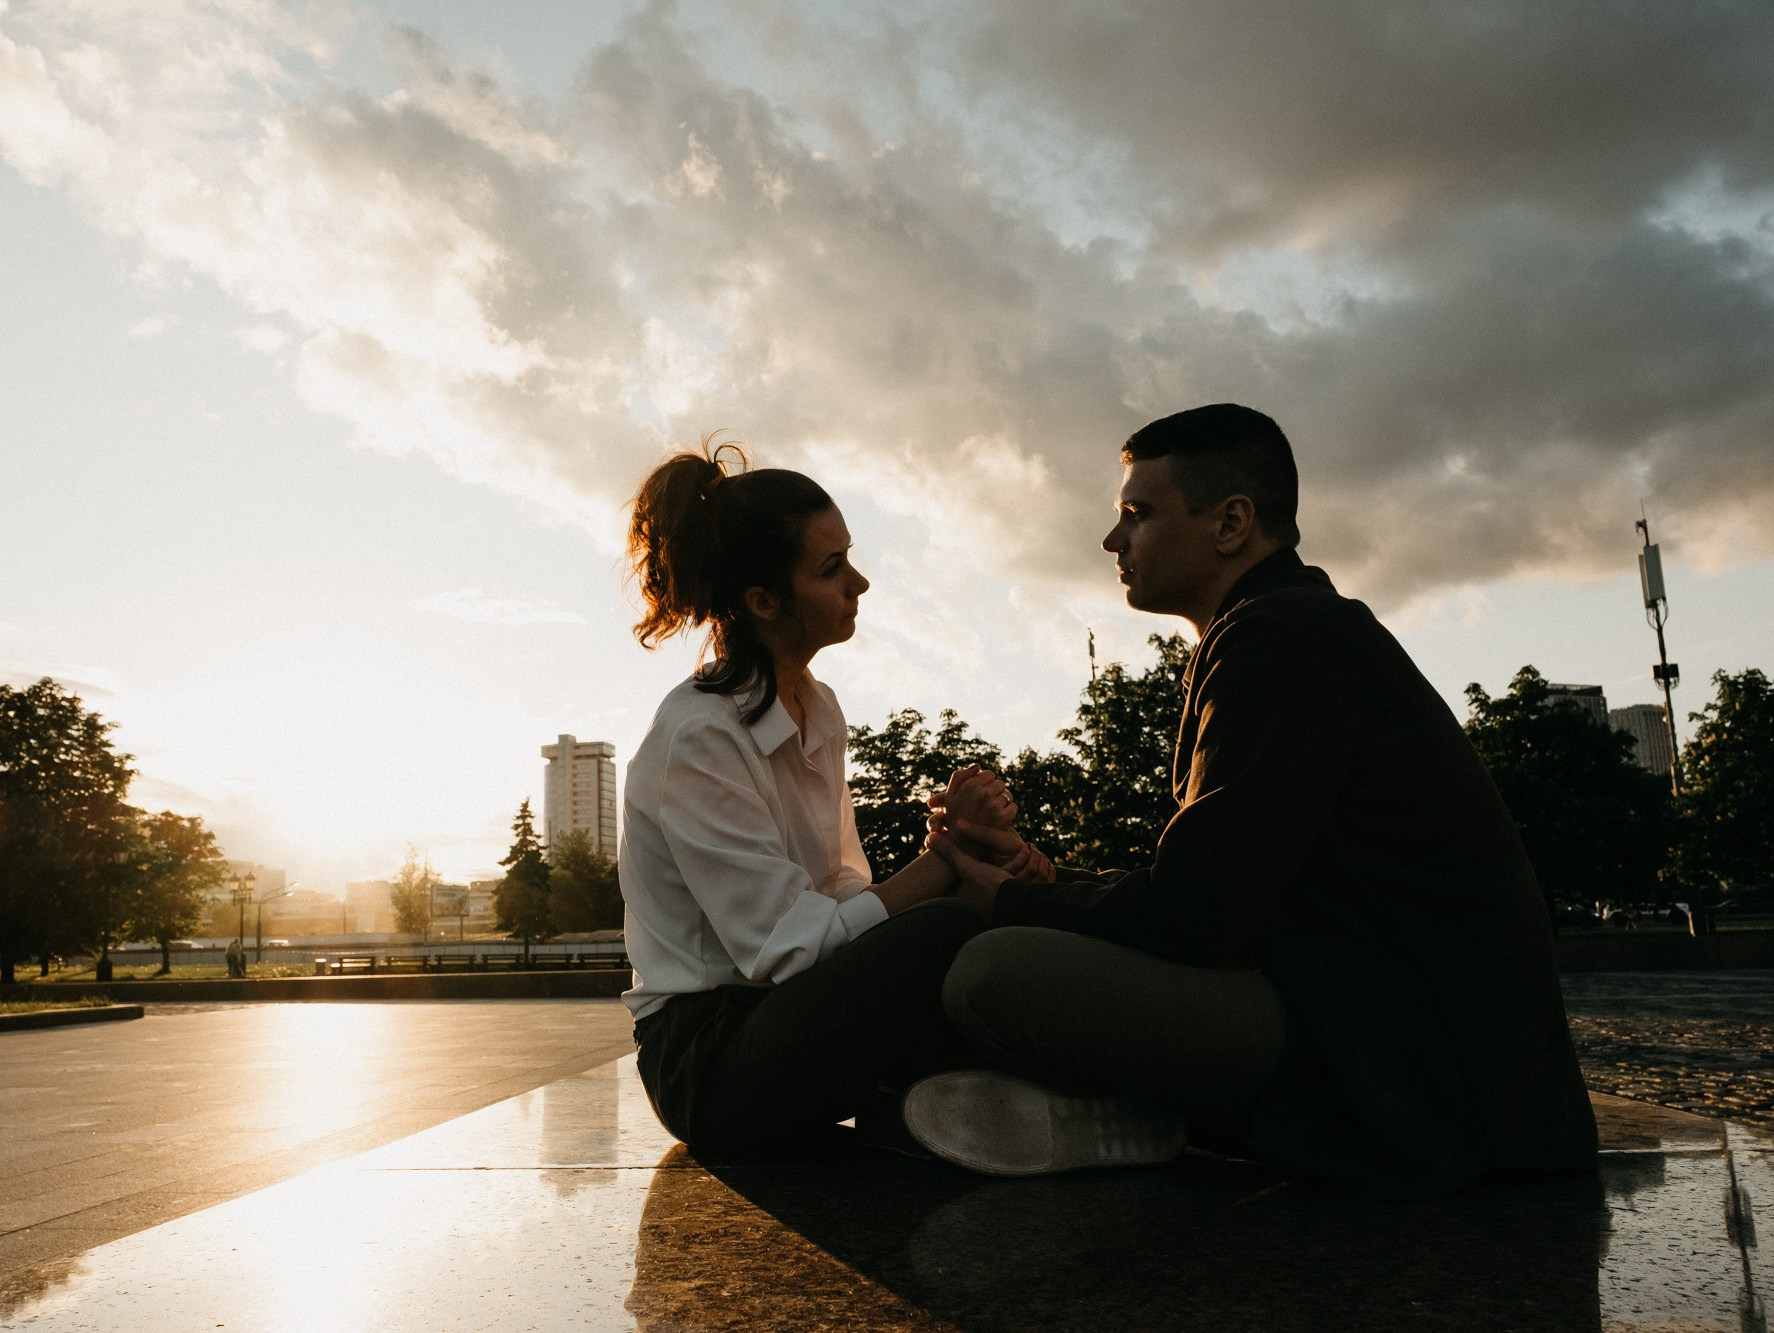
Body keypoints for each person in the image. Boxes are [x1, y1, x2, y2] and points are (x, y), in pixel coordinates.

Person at [912, 403, 1598, 1197]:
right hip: (1393, 1037)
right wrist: (1048, 880)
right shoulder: (1282, 626)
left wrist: (1011, 899)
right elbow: (1215, 877)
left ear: (1232, 522)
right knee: (1012, 945)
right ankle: (1132, 1118)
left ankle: (1132, 1118)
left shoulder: (1283, 640)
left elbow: (1196, 912)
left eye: (1137, 513)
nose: (1112, 541)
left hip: (1422, 1079)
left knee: (991, 970)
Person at [619, 440, 1045, 1152]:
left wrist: (968, 866)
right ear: (763, 600)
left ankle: (977, 1112)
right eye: (831, 568)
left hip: (785, 1015)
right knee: (945, 929)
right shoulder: (699, 736)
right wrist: (945, 863)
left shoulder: (817, 709)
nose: (860, 582)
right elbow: (790, 945)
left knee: (994, 913)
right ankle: (963, 1110)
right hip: (708, 1060)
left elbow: (846, 896)